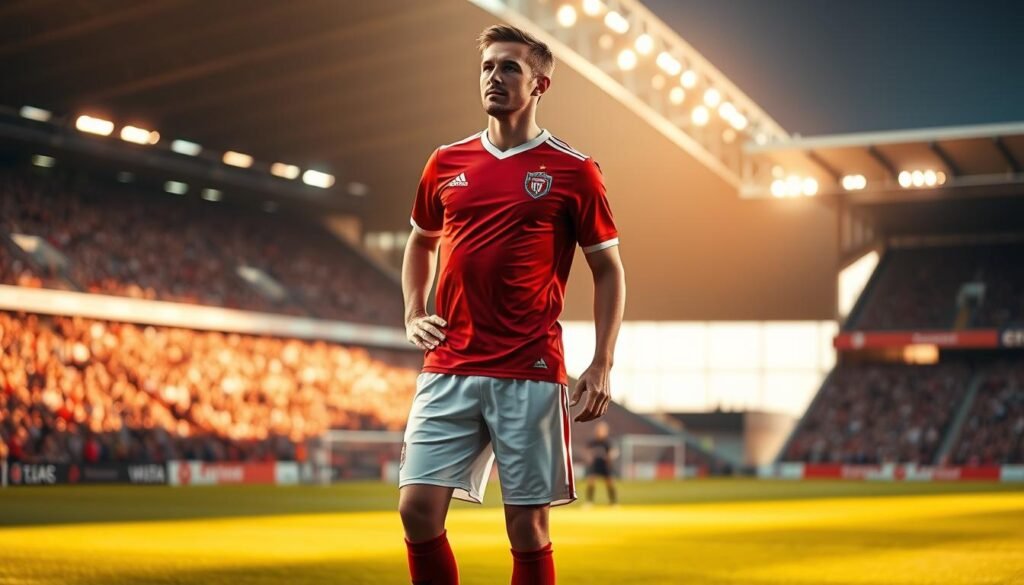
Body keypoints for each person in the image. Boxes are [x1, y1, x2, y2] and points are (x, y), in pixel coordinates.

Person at [397, 23, 626, 585]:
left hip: (530, 368)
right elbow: (420, 241)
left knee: (527, 529)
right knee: (416, 510)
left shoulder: (575, 171)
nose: (494, 77)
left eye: (510, 68)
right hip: (449, 362)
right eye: (487, 67)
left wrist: (601, 363)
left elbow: (608, 269)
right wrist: (411, 310)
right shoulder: (445, 162)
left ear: (540, 84)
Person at [584, 421, 618, 507]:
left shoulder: (608, 442)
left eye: (602, 430)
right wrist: (588, 457)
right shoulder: (593, 442)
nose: (600, 432)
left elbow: (614, 451)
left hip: (605, 465)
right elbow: (587, 452)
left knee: (610, 482)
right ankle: (589, 502)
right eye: (599, 430)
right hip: (595, 465)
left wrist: (610, 456)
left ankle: (613, 502)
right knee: (591, 481)